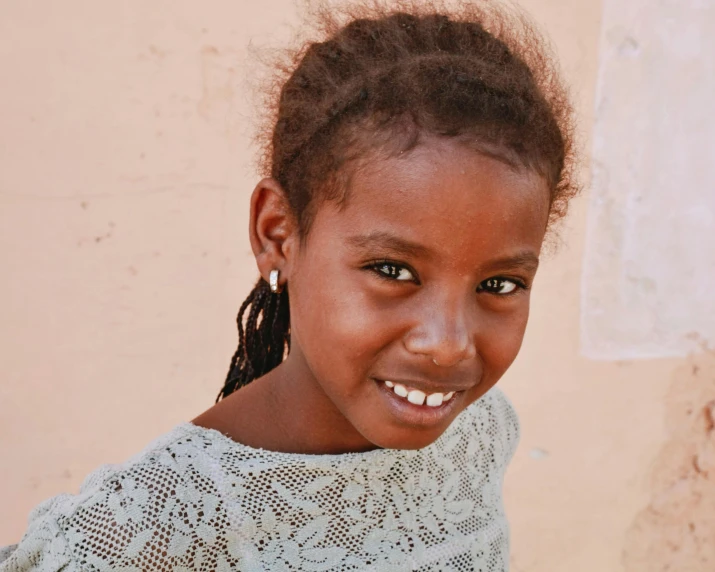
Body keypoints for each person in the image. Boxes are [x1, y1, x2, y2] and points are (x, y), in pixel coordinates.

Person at [0, 1, 577, 570]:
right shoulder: (150, 529)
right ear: (278, 234)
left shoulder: (477, 433)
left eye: (499, 283)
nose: (448, 344)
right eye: (393, 271)